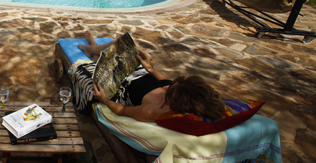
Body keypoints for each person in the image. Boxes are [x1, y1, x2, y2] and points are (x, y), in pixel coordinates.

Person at [73, 31, 225, 121]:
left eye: (169, 92)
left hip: (121, 84)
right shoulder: (180, 92)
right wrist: (150, 68)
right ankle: (92, 48)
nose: (168, 86)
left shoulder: (153, 111)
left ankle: (90, 46)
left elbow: (122, 111)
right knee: (117, 43)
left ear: (175, 103)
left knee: (105, 64)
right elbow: (165, 80)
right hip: (139, 72)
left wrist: (104, 100)